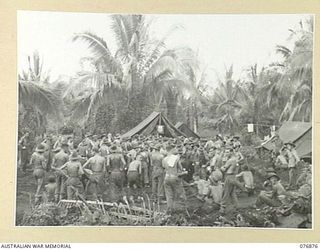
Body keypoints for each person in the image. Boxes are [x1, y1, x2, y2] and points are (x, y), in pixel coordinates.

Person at [219, 148, 246, 213]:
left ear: (231, 152)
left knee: (226, 192)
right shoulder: (236, 159)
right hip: (234, 176)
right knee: (232, 193)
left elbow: (223, 169)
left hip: (229, 176)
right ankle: (236, 206)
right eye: (225, 152)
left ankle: (223, 207)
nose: (226, 153)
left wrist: (220, 167)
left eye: (227, 152)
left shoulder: (230, 160)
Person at [162, 144, 187, 212]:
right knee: (180, 193)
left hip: (166, 177)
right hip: (174, 177)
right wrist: (183, 172)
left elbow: (164, 168)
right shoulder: (176, 158)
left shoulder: (164, 159)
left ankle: (170, 209)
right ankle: (183, 209)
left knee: (169, 195)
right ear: (172, 149)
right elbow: (180, 168)